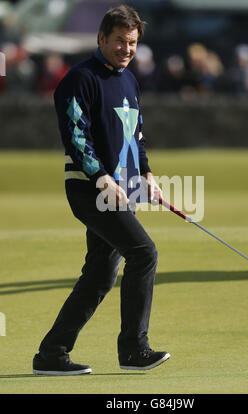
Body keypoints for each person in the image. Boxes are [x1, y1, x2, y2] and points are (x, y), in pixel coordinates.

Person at [32, 5, 170, 376]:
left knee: (99, 276)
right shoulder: (79, 79)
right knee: (144, 254)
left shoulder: (129, 79)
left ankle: (52, 354)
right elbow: (76, 136)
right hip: (92, 190)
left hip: (123, 191)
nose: (127, 49)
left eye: (133, 43)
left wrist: (146, 173)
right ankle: (134, 350)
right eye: (120, 42)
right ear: (101, 39)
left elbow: (134, 133)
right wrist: (100, 175)